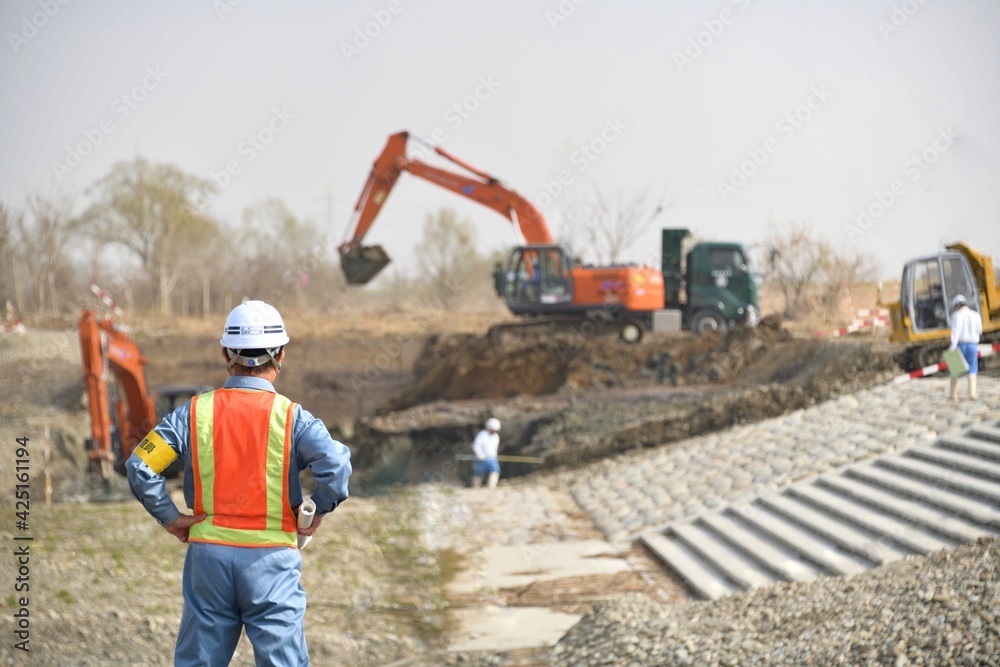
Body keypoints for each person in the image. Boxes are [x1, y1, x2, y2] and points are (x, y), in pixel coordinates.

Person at [126, 300, 352, 666]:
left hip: (208, 561)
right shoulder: (293, 418)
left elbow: (140, 464)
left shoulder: (192, 413)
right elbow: (337, 466)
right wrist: (317, 510)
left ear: (225, 353)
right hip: (272, 563)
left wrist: (170, 517)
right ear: (280, 355)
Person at [948, 293, 983, 402]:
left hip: (960, 345)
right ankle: (972, 393)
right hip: (972, 345)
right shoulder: (976, 315)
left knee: (955, 370)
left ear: (957, 305)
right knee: (972, 368)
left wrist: (951, 348)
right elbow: (980, 331)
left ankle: (953, 395)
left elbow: (955, 333)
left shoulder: (956, 316)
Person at [471, 418, 501, 489]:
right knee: (479, 472)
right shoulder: (482, 434)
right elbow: (476, 445)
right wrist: (480, 455)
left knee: (495, 470)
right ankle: (476, 487)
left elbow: (494, 448)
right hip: (481, 458)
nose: (493, 431)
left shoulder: (496, 437)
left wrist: (495, 456)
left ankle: (491, 486)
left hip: (492, 458)